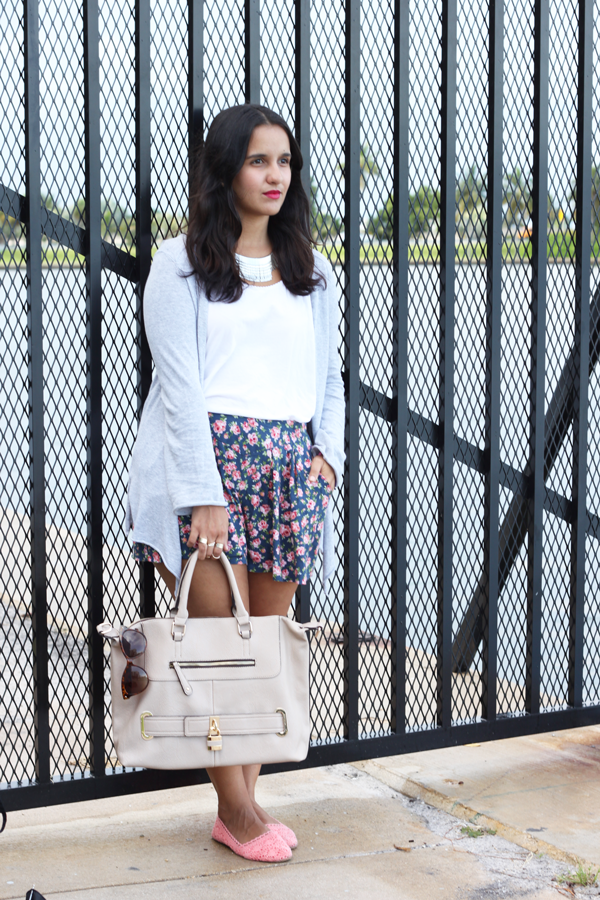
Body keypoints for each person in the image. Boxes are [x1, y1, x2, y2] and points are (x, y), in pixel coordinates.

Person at [125, 103, 345, 863]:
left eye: (284, 161)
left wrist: (326, 459)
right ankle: (240, 813)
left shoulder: (313, 271)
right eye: (258, 161)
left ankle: (242, 808)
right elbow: (179, 388)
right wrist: (204, 495)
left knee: (262, 653)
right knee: (219, 648)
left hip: (288, 473)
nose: (275, 175)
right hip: (208, 471)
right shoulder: (179, 264)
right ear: (226, 171)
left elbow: (328, 379)